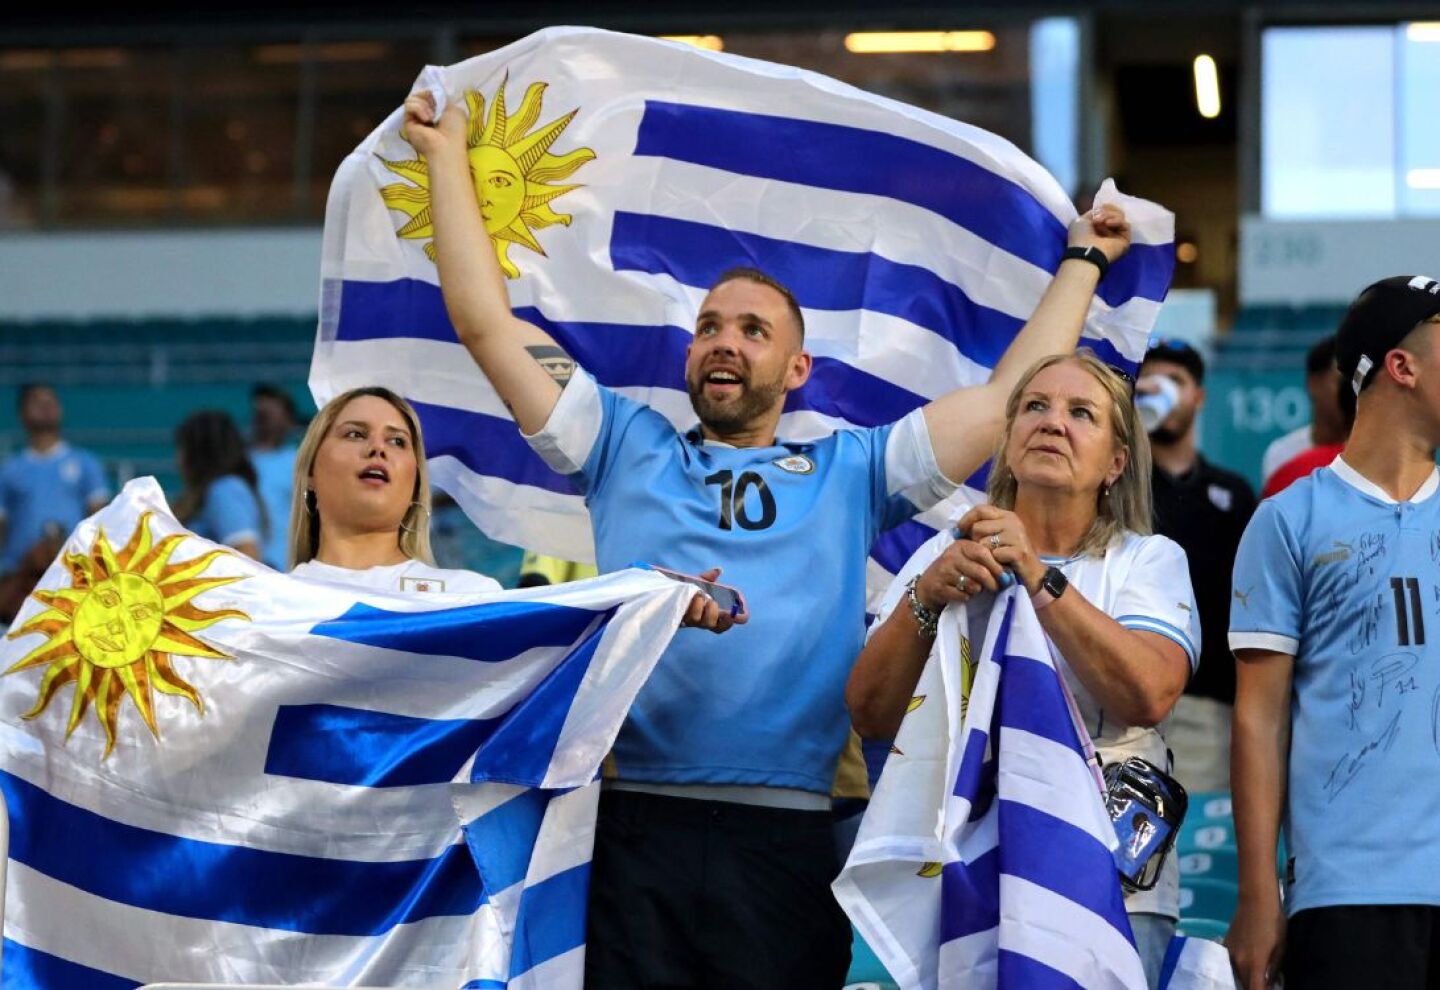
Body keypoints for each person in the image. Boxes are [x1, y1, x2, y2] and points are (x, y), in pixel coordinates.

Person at [405, 89, 1132, 987]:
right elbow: (485, 325)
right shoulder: (622, 445)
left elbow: (1013, 391)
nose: (725, 342)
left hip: (787, 834)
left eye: (753, 331)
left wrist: (1087, 259)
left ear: (797, 371)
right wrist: (443, 155)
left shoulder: (853, 473)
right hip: (631, 826)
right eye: (709, 326)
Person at [848, 351, 1199, 987]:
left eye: (1081, 413)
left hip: (1106, 876)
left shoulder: (1148, 560)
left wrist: (1037, 576)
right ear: (1008, 445)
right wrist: (925, 599)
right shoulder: (942, 553)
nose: (1053, 422)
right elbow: (870, 714)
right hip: (969, 873)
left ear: (1116, 463)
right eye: (1034, 406)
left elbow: (1148, 694)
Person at [1228, 275, 1440, 990]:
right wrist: (1258, 895)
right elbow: (1258, 720)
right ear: (1401, 367)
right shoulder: (1289, 519)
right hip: (1346, 891)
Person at [1140, 339, 1256, 793]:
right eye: (1150, 382)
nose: (1161, 393)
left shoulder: (1233, 494)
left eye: (1175, 381)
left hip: (1206, 707)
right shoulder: (1111, 485)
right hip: (1124, 700)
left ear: (1199, 397)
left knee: (1200, 854)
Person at [287, 385, 499, 594]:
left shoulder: (470, 598)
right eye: (355, 434)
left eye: (398, 441)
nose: (378, 448)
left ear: (415, 486)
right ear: (310, 473)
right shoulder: (265, 604)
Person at [0, 384, 109, 577]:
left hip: (72, 573)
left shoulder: (86, 463)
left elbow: (101, 520)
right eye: (37, 402)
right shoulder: (8, 470)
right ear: (21, 413)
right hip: (19, 574)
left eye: (51, 401)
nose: (45, 406)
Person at [173, 411, 266, 562]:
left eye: (181, 449)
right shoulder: (216, 491)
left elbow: (247, 554)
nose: (178, 460)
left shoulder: (224, 490)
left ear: (198, 454)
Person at [1259, 335, 1344, 490]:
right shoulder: (1281, 455)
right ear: (1314, 384)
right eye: (1340, 383)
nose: (1350, 394)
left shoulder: (1373, 454)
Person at [250, 383, 301, 570]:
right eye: (262, 412)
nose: (265, 415)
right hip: (246, 561)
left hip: (283, 566)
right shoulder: (240, 462)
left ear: (288, 420)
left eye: (272, 411)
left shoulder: (298, 462)